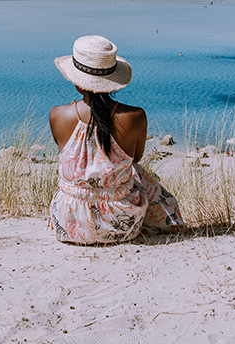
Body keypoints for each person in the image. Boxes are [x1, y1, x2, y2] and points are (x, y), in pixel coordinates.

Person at [49, 35, 184, 244]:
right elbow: (135, 159)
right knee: (136, 172)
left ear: (77, 83)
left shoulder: (58, 115)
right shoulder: (136, 116)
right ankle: (169, 220)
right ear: (113, 82)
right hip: (122, 225)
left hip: (69, 224)